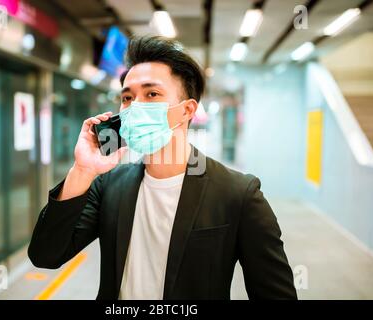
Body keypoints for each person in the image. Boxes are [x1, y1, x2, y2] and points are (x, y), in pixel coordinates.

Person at [28, 36, 297, 300]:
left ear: (187, 110)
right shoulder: (109, 184)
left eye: (152, 94)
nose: (134, 107)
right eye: (127, 98)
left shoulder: (238, 194)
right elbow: (46, 255)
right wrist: (82, 170)